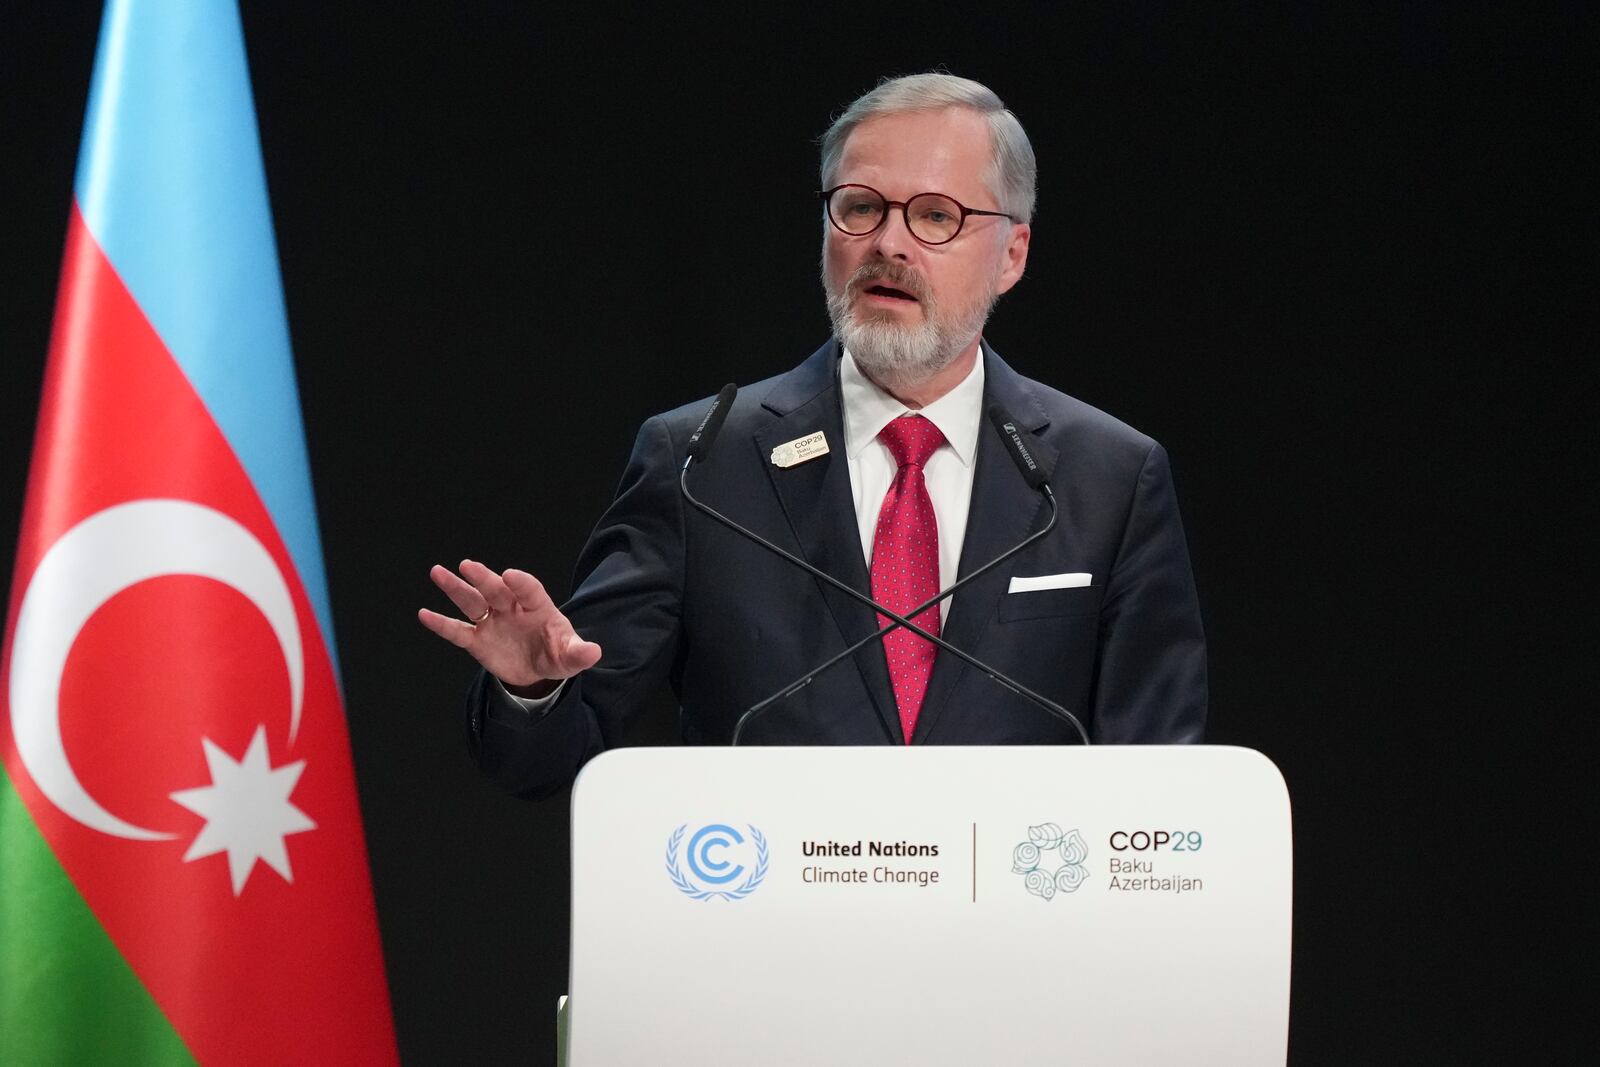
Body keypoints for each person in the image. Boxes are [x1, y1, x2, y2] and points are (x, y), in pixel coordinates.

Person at [419, 73, 1207, 798]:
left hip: (1014, 940)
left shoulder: (1108, 477)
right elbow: (550, 760)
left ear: (1013, 254)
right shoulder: (701, 463)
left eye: (936, 216)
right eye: (861, 207)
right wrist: (534, 688)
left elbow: (1159, 787)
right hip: (771, 938)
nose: (889, 244)